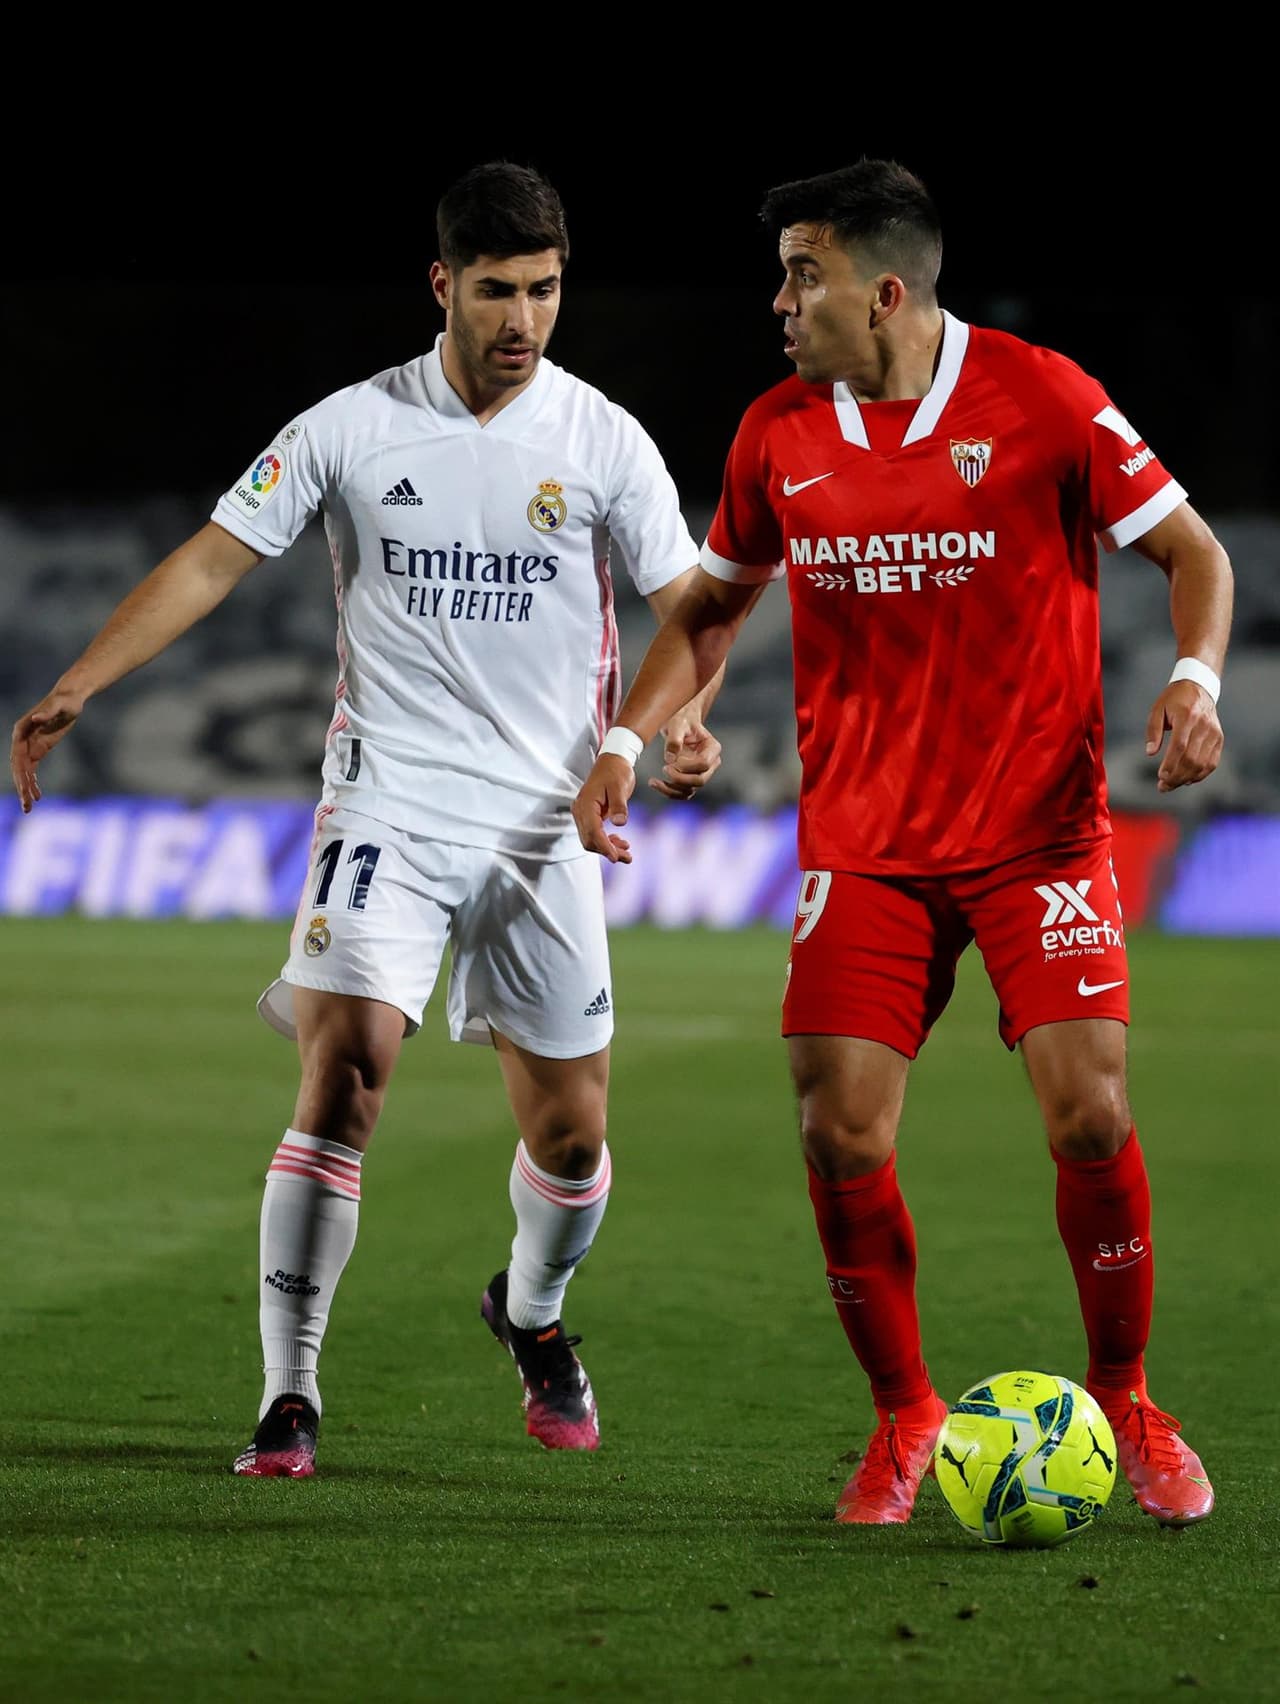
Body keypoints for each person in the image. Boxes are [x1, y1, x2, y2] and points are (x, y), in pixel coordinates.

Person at [11, 160, 725, 1477]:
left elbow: (698, 613)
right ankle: (291, 1397)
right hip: (385, 797)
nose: (525, 320)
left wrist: (655, 728)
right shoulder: (354, 427)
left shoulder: (602, 441)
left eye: (548, 291)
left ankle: (531, 1311)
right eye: (500, 292)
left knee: (571, 1138)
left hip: (542, 823)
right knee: (344, 1081)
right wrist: (79, 683)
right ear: (443, 285)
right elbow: (220, 553)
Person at [572, 159, 1232, 1528]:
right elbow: (709, 608)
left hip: (1036, 834)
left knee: (1092, 1111)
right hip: (863, 843)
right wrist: (638, 738)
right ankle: (903, 1414)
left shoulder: (1045, 396)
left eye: (800, 274)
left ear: (884, 291)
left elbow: (1195, 554)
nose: (779, 300)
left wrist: (1195, 680)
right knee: (838, 1135)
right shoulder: (775, 435)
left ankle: (1125, 1396)